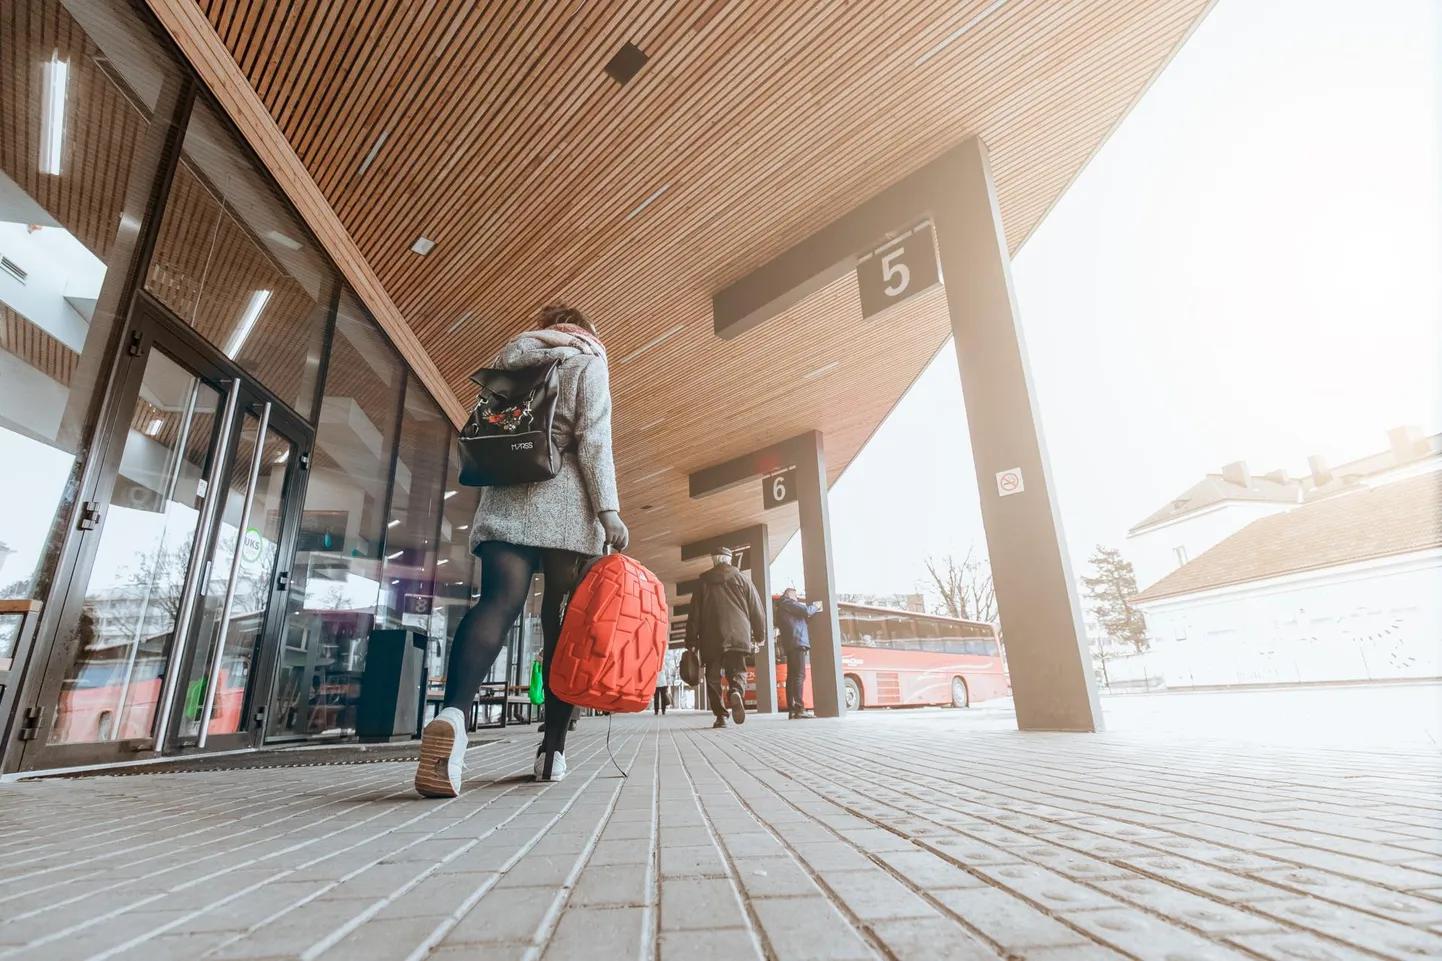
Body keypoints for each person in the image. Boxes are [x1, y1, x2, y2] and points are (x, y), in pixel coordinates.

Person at [415, 305, 627, 798]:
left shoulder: (512, 357)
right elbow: (594, 440)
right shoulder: (587, 360)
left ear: (547, 327)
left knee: (497, 604)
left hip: (507, 496)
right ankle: (552, 750)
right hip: (567, 505)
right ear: (585, 330)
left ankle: (452, 718)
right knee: (560, 622)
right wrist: (608, 512)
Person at [684, 547, 765, 728]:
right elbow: (756, 610)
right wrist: (759, 636)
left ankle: (721, 716)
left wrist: (691, 642)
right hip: (739, 634)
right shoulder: (744, 580)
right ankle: (736, 691)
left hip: (711, 636)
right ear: (729, 560)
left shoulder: (703, 582)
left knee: (712, 677)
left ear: (713, 560)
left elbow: (694, 615)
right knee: (738, 670)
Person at [774, 587, 822, 719]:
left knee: (791, 677)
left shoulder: (781, 608)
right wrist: (816, 607)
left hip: (790, 644)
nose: (797, 599)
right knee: (799, 675)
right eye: (796, 596)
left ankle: (792, 709)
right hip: (798, 642)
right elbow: (806, 610)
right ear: (790, 594)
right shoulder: (788, 603)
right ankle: (799, 708)